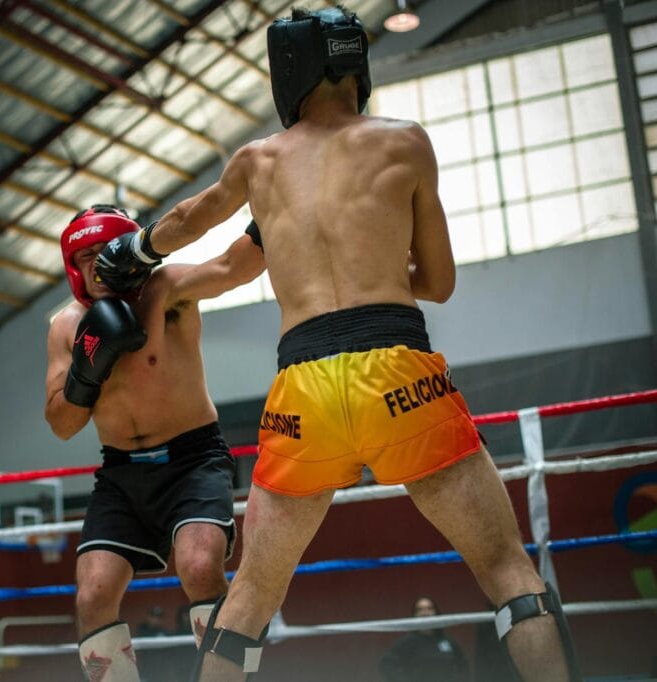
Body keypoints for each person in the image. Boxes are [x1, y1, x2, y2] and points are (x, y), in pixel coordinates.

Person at [94, 7, 582, 682]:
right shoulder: (406, 142)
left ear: (285, 74)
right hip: (400, 373)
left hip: (303, 392)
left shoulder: (258, 160)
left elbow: (185, 220)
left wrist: (135, 248)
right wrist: (377, 266)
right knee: (507, 570)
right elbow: (437, 282)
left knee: (250, 600)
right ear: (358, 66)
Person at [45, 204, 264, 681]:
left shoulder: (167, 290)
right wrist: (87, 368)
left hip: (193, 459)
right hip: (121, 473)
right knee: (93, 594)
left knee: (201, 565)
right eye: (84, 256)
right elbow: (62, 425)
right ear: (72, 266)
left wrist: (276, 205)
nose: (96, 263)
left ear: (128, 250)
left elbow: (235, 267)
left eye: (106, 251)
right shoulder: (66, 326)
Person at [379, 596, 469, 682]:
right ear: (415, 615)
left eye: (430, 608)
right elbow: (386, 664)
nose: (425, 613)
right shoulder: (407, 643)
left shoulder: (448, 642)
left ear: (436, 613)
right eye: (420, 610)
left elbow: (463, 666)